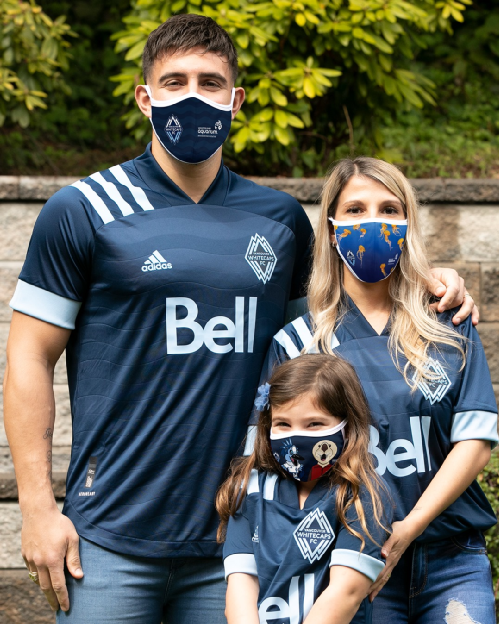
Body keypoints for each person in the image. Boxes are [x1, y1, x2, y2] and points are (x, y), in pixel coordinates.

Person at [2, 12, 476, 623]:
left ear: (236, 100)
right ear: (145, 98)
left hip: (241, 539)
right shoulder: (82, 209)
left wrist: (429, 281)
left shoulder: (280, 220)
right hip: (110, 533)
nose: (193, 97)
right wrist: (37, 509)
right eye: (174, 82)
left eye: (210, 82)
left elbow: (334, 329)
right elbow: (28, 356)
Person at [256, 157, 498, 624]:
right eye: (355, 209)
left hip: (451, 559)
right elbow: (277, 462)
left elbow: (475, 442)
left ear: (407, 225)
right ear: (332, 230)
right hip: (351, 561)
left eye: (389, 210)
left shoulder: (449, 325)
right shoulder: (297, 342)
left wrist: (410, 527)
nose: (373, 222)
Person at [217, 354, 392, 624]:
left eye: (314, 424)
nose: (296, 439)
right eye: (283, 424)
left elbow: (345, 593)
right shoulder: (249, 489)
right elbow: (241, 589)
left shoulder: (361, 495)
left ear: (347, 424)